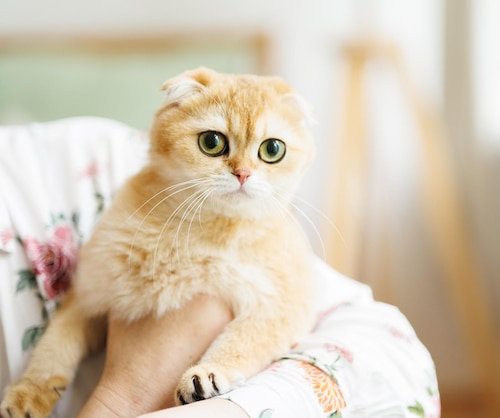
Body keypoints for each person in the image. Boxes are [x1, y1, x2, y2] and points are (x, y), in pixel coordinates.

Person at [0, 117, 440, 418]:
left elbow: (383, 345)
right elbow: (82, 313)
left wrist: (225, 387)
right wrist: (119, 399)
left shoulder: (98, 152)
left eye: (270, 150)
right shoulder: (125, 192)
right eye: (214, 142)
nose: (244, 171)